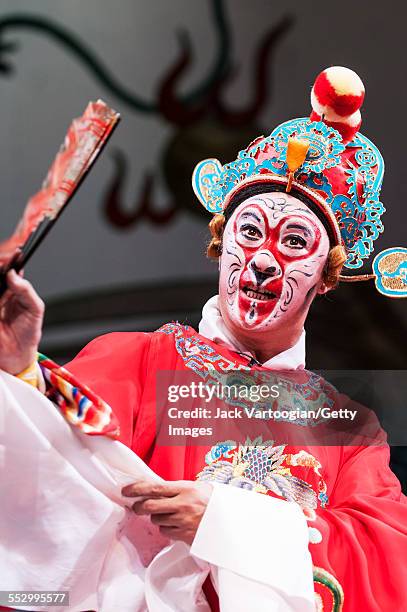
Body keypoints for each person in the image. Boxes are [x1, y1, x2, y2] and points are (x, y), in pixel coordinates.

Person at [1, 66, 406, 611]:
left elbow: (383, 556)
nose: (264, 260)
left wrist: (227, 522)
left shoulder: (353, 433)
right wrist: (21, 368)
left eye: (294, 241)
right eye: (250, 231)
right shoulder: (138, 362)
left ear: (327, 275)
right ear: (221, 243)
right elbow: (62, 465)